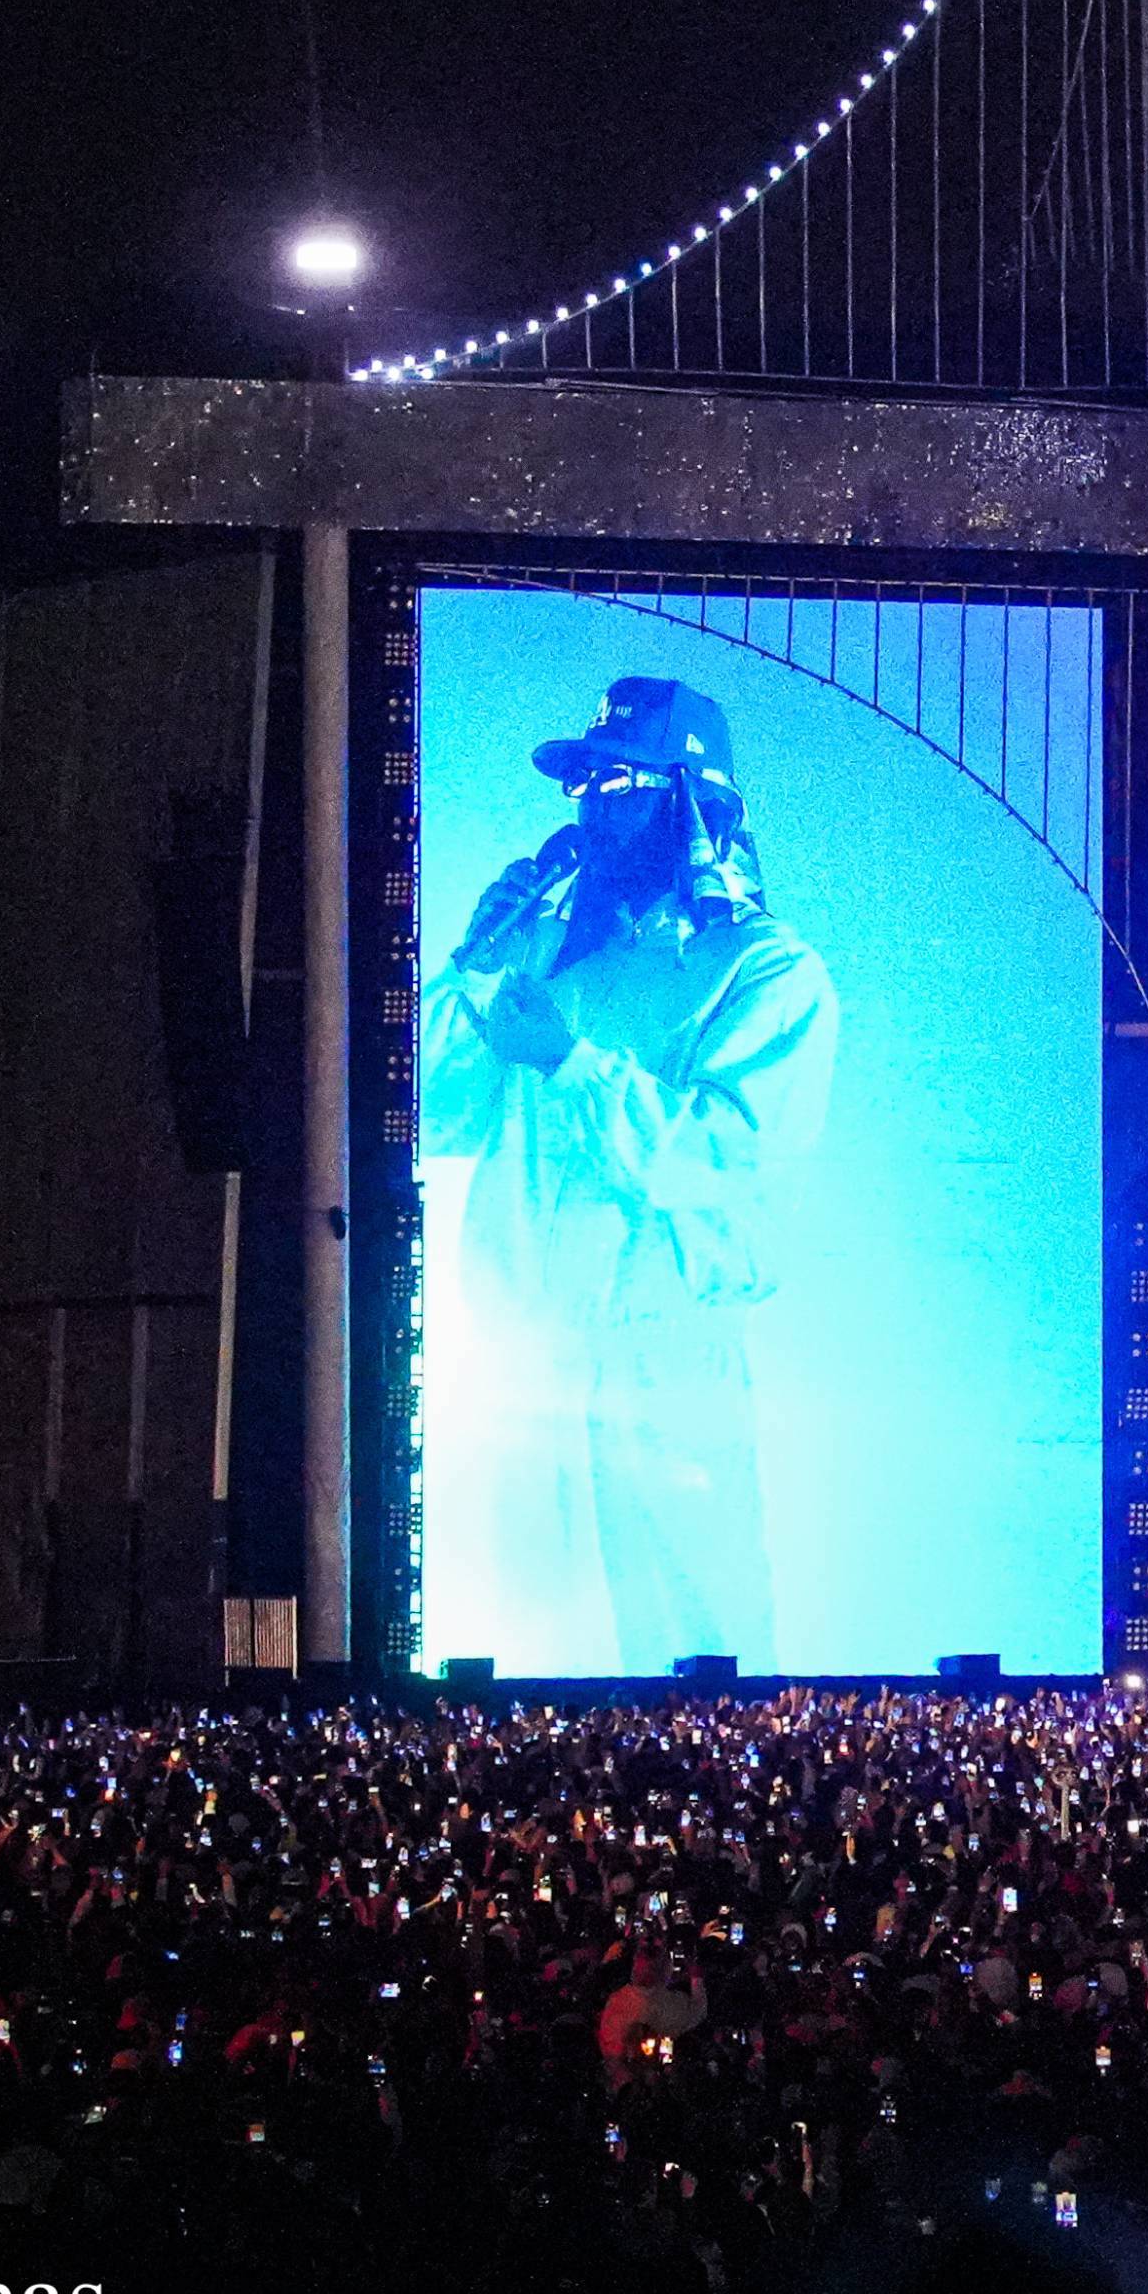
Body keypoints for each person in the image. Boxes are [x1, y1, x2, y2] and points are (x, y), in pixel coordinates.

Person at [424, 676, 839, 1671]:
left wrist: (568, 1065)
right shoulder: (548, 959)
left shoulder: (767, 975)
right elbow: (433, 1108)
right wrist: (469, 963)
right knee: (525, 1646)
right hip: (527, 1360)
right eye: (581, 786)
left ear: (689, 801)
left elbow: (711, 1156)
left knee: (690, 1638)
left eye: (618, 782)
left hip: (665, 1363)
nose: (590, 806)